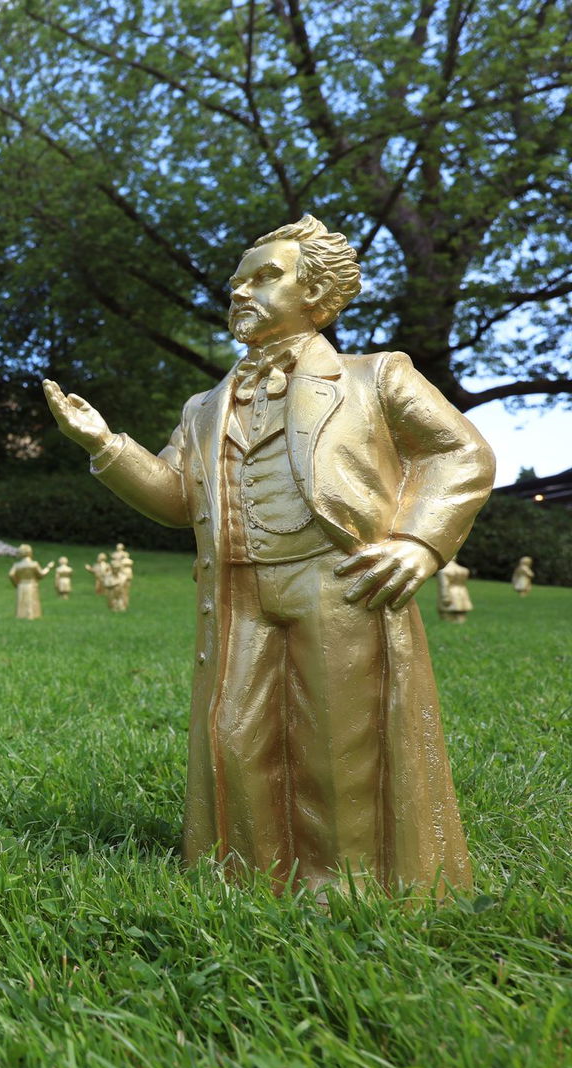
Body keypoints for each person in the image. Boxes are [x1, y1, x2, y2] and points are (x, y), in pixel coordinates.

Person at [44, 214, 492, 897]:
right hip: (236, 592)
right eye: (235, 282)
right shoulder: (204, 407)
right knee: (234, 736)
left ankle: (342, 885)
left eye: (263, 277)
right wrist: (105, 444)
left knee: (336, 744)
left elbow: (460, 451)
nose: (240, 292)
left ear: (318, 294)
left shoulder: (374, 377)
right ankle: (248, 874)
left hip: (338, 580)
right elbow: (175, 497)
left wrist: (419, 539)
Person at [8, 544, 53, 620]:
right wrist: (48, 567)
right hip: (32, 585)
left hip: (21, 585)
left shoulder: (17, 565)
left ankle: (21, 615)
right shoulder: (34, 564)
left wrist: (16, 584)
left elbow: (11, 575)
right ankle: (32, 615)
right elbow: (41, 575)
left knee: (22, 601)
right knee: (31, 601)